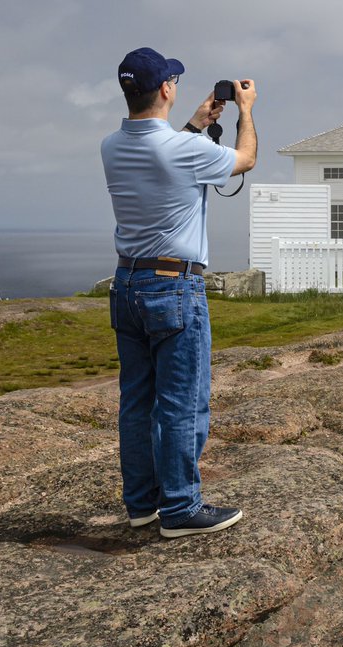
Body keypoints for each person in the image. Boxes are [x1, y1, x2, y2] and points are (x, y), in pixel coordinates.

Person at [100, 47, 257, 538]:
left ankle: (142, 505)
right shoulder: (182, 151)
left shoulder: (112, 146)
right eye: (173, 81)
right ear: (166, 88)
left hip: (126, 283)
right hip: (173, 286)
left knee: (137, 401)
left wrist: (193, 124)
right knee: (181, 401)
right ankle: (182, 508)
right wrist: (245, 113)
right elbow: (245, 158)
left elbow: (167, 156)